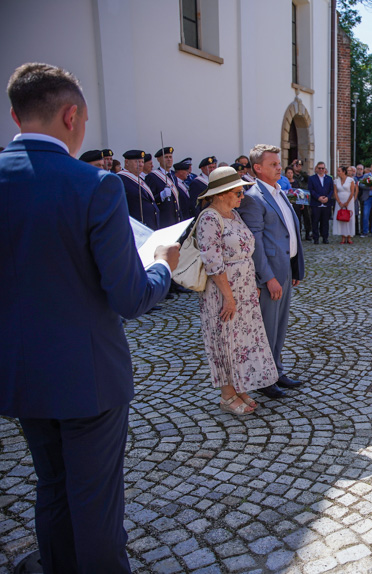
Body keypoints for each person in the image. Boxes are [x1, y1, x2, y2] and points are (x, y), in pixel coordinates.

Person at [0, 62, 178, 573]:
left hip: (19, 373)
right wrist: (162, 268)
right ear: (72, 115)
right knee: (95, 501)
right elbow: (128, 297)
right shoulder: (94, 186)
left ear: (15, 115)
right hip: (87, 377)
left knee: (52, 486)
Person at [196, 166, 278, 415]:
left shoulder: (234, 214)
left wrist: (252, 284)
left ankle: (240, 387)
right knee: (224, 341)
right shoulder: (210, 218)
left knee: (241, 342)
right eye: (238, 193)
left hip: (244, 291)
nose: (243, 198)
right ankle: (227, 395)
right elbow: (213, 262)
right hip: (222, 293)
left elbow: (246, 251)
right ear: (221, 193)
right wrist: (229, 298)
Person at [237, 144, 306, 399]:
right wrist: (268, 278)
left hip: (285, 270)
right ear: (257, 168)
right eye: (274, 164)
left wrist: (295, 267)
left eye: (279, 163)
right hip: (270, 276)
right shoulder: (254, 198)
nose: (280, 167)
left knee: (280, 326)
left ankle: (276, 370)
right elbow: (255, 244)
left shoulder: (279, 191)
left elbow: (290, 231)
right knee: (266, 328)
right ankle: (263, 378)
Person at [119, 149, 160, 230]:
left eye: (142, 162)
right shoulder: (121, 179)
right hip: (136, 227)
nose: (141, 165)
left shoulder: (141, 179)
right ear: (127, 162)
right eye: (137, 162)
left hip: (150, 225)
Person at [146, 146, 182, 228]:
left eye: (170, 157)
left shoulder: (173, 176)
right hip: (163, 220)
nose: (169, 159)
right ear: (159, 160)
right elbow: (150, 200)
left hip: (175, 219)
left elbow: (177, 200)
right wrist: (161, 196)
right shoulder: (153, 176)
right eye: (166, 157)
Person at [308, 161, 335, 244]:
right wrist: (318, 197)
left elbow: (331, 190)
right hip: (316, 203)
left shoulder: (329, 178)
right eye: (319, 168)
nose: (321, 170)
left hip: (326, 203)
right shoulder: (312, 178)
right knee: (315, 221)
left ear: (325, 169)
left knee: (325, 222)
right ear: (316, 169)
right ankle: (316, 238)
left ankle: (325, 237)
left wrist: (327, 197)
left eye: (322, 168)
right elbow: (311, 190)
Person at [333, 165, 357, 244]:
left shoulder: (350, 180)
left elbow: (352, 192)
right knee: (341, 217)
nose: (338, 172)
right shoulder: (336, 181)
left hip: (348, 200)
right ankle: (343, 236)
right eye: (337, 171)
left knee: (348, 217)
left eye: (339, 171)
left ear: (344, 172)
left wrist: (347, 202)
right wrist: (339, 201)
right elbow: (335, 192)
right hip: (339, 200)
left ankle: (349, 236)